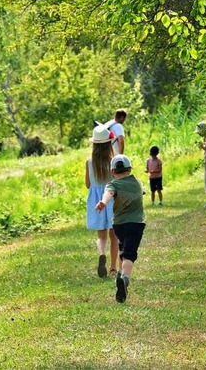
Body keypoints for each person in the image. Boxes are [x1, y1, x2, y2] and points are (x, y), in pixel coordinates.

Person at [95, 154, 145, 303]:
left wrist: (103, 202)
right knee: (130, 253)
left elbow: (108, 193)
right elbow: (140, 192)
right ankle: (125, 279)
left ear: (112, 172)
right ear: (129, 169)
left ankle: (122, 277)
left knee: (123, 249)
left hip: (119, 225)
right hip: (136, 223)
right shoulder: (137, 182)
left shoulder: (113, 185)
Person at [85, 125, 119, 278]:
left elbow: (88, 184)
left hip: (96, 201)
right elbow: (117, 182)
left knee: (101, 236)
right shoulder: (113, 161)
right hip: (111, 199)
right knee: (114, 236)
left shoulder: (89, 162)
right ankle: (112, 267)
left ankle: (101, 254)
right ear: (108, 144)